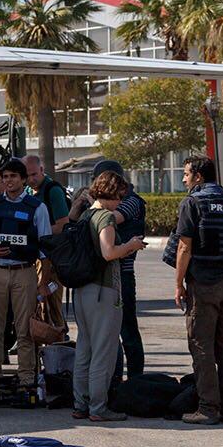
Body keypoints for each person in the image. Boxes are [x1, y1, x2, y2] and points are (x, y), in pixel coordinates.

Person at [0, 158, 52, 398]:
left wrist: (44, 281)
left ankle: (27, 378)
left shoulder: (37, 207)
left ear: (23, 179)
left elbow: (46, 247)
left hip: (24, 271)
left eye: (13, 177)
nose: (8, 181)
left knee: (25, 330)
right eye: (5, 177)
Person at [172, 157, 223, 425]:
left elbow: (184, 247)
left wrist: (179, 284)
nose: (184, 179)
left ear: (199, 176)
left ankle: (208, 408)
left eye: (186, 174)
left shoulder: (193, 202)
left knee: (202, 347)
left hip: (203, 284)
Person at [72, 171, 146, 421]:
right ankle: (98, 407)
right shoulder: (105, 217)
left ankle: (80, 404)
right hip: (103, 290)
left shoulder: (85, 215)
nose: (121, 202)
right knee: (103, 351)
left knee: (84, 349)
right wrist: (131, 246)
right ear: (113, 193)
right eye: (120, 196)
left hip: (81, 289)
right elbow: (108, 252)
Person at [89, 160, 147, 381]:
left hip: (121, 272)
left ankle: (135, 381)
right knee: (108, 333)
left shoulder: (131, 201)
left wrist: (92, 207)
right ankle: (113, 380)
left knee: (127, 330)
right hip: (102, 273)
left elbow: (110, 219)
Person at [24, 155, 70, 234]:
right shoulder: (26, 191)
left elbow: (62, 226)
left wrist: (34, 233)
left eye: (34, 174)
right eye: (27, 176)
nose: (31, 180)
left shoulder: (53, 191)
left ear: (41, 169)